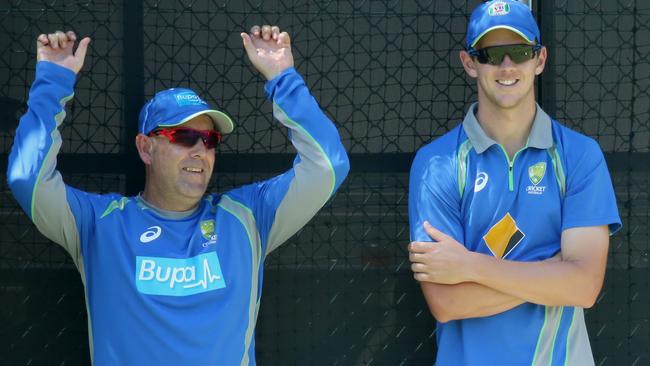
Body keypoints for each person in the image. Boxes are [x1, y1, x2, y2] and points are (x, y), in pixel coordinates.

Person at [7, 25, 349, 365]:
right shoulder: (98, 224)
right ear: (146, 147)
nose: (201, 150)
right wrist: (53, 80)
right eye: (184, 136)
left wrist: (282, 77)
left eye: (210, 140)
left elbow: (327, 166)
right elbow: (27, 176)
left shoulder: (248, 218)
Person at [407, 1, 621, 365]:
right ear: (469, 63)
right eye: (492, 54)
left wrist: (469, 267)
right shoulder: (436, 163)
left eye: (519, 52)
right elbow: (446, 303)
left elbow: (584, 288)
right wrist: (554, 273)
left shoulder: (580, 155)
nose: (507, 66)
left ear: (539, 60)